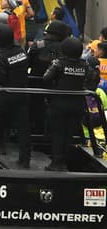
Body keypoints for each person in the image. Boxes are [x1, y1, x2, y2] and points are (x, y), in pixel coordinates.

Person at [43, 36, 97, 171]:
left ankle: (55, 163)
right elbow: (93, 79)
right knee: (68, 135)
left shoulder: (58, 63)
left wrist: (53, 90)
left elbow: (46, 79)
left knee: (57, 134)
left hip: (58, 104)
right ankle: (63, 163)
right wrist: (84, 89)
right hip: (77, 105)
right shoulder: (85, 65)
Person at [0, 24, 31, 167]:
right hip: (22, 93)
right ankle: (25, 159)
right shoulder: (21, 51)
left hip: (4, 95)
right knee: (23, 128)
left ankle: (0, 145)